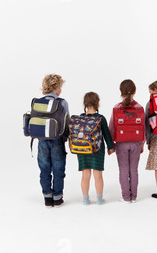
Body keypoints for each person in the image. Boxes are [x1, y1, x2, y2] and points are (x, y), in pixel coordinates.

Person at [109, 79, 145, 204]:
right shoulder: (139, 108)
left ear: (120, 91)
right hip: (136, 142)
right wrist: (142, 143)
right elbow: (143, 128)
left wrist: (111, 145)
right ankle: (134, 197)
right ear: (135, 91)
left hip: (121, 143)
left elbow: (111, 128)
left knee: (123, 169)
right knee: (134, 170)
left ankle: (126, 197)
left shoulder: (117, 108)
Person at [37, 74, 70, 207]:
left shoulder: (38, 102)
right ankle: (57, 198)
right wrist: (67, 137)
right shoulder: (62, 102)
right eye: (60, 87)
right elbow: (67, 122)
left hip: (42, 141)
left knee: (44, 169)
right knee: (58, 169)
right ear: (56, 88)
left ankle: (47, 197)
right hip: (58, 140)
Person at [78, 92, 115, 205]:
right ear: (97, 103)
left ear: (85, 103)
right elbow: (106, 135)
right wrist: (110, 147)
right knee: (98, 175)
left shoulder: (81, 118)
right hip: (97, 150)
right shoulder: (100, 118)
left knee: (85, 175)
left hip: (83, 150)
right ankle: (99, 199)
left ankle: (85, 199)